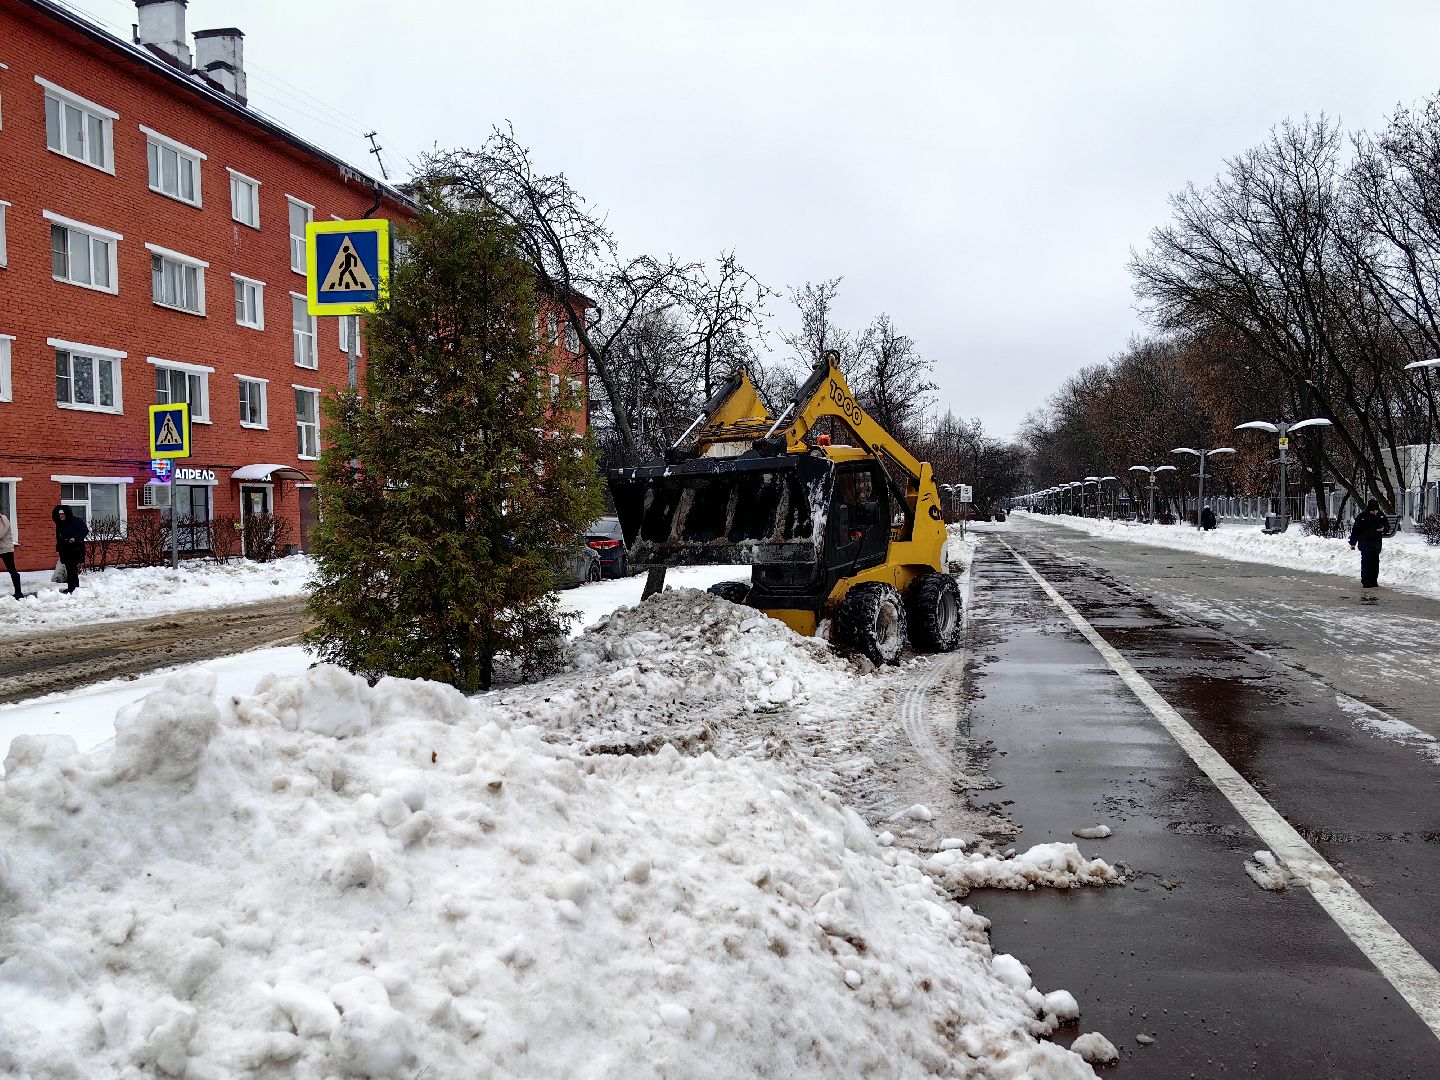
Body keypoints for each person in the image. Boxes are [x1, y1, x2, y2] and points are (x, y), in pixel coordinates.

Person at [1348, 499, 1387, 589]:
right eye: (1373, 510)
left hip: (1376, 544)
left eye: (1376, 510)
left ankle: (1374, 580)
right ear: (1369, 509)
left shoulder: (1381, 516)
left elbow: (1386, 526)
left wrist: (1383, 529)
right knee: (1366, 563)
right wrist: (1353, 543)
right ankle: (1366, 581)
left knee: (1375, 563)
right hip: (1365, 543)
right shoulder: (1362, 517)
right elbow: (1356, 530)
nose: (1375, 512)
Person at [53, 505, 88, 594]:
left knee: (72, 569)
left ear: (67, 514)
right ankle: (72, 588)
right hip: (65, 549)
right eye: (59, 514)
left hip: (75, 549)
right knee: (69, 569)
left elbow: (84, 531)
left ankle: (73, 588)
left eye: (63, 514)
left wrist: (74, 538)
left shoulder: (76, 521)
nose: (61, 516)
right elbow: (59, 537)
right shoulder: (60, 524)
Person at [1, 510, 21, 599]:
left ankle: (18, 592)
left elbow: (1, 533)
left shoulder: (3, 518)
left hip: (6, 549)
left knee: (12, 570)